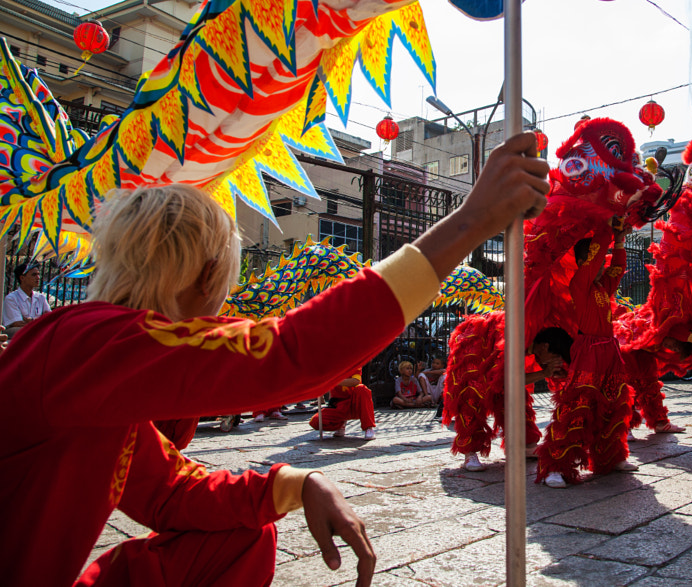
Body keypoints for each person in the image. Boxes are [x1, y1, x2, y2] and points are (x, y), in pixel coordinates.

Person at [0, 132, 550, 586]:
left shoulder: (95, 359)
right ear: (205, 276)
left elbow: (169, 493)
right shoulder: (83, 343)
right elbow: (289, 351)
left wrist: (294, 484)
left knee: (243, 530)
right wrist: (471, 222)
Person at [536, 224, 637, 486]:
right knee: (577, 405)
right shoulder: (579, 282)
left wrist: (621, 240)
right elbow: (597, 259)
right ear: (583, 261)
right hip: (589, 351)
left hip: (609, 351)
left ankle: (610, 456)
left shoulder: (602, 286)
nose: (601, 265)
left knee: (613, 403)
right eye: (596, 259)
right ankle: (556, 466)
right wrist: (606, 229)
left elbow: (618, 268)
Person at [445, 324, 571, 472]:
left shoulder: (530, 340)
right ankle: (469, 452)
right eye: (556, 357)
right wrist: (545, 373)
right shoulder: (516, 340)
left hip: (496, 362)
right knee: (473, 394)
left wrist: (552, 372)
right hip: (475, 355)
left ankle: (526, 445)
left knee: (517, 397)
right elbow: (509, 379)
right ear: (545, 346)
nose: (556, 361)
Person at [310, 372, 376, 440]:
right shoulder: (330, 366)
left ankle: (369, 428)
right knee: (315, 421)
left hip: (354, 404)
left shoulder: (352, 363)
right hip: (339, 405)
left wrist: (334, 381)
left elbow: (356, 381)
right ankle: (340, 425)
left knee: (362, 389)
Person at [2, 260, 52, 336]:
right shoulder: (11, 298)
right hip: (18, 333)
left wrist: (31, 320)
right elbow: (17, 323)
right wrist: (40, 320)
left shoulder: (41, 297)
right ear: (22, 278)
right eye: (34, 275)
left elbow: (50, 318)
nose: (38, 278)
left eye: (38, 274)